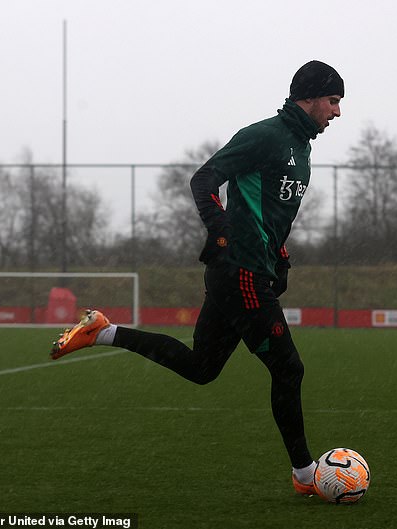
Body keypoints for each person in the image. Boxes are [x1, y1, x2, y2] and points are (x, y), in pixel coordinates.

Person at [50, 60, 344, 495]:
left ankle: (103, 331)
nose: (337, 112)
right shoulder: (265, 136)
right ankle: (307, 476)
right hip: (240, 273)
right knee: (289, 369)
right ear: (310, 97)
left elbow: (265, 213)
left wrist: (278, 254)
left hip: (245, 271)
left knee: (201, 367)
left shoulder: (301, 149)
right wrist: (220, 229)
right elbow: (204, 179)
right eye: (333, 101)